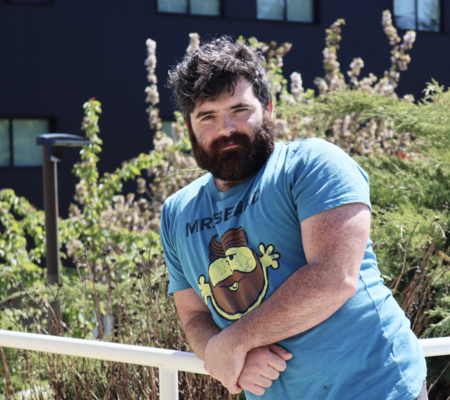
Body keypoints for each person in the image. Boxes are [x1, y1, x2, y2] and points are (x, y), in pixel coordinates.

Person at [161, 37, 427, 400]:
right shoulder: (177, 212)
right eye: (207, 116)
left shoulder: (313, 164)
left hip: (378, 387)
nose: (226, 128)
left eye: (240, 109)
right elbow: (193, 316)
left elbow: (335, 278)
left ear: (269, 109)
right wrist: (221, 352)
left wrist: (235, 342)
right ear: (189, 127)